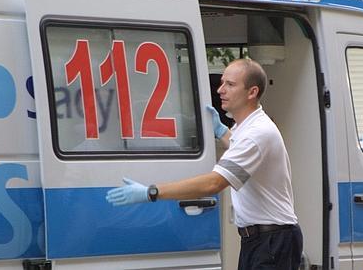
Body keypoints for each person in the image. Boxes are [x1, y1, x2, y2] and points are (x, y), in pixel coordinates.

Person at [106, 58, 302, 270]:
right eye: (222, 83)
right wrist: (220, 132)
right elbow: (237, 144)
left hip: (273, 241)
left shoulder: (257, 133)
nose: (220, 90)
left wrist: (152, 192)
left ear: (252, 92)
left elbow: (213, 184)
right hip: (260, 239)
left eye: (230, 84)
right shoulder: (246, 127)